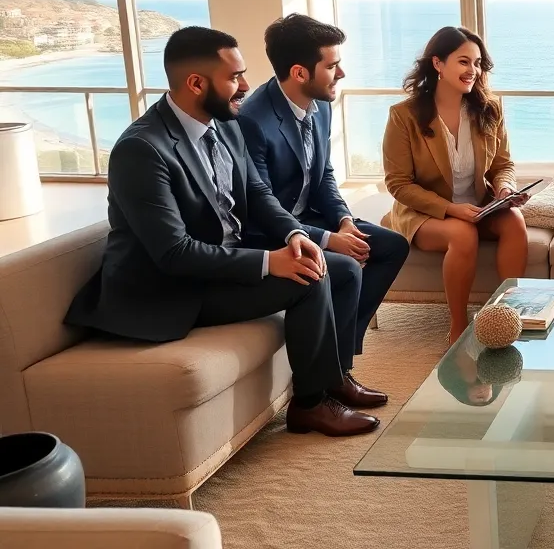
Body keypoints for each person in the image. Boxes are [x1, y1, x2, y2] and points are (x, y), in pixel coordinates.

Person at [63, 27, 382, 437]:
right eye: (235, 77)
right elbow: (174, 253)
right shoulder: (141, 150)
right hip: (171, 288)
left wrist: (293, 235)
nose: (246, 86)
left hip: (220, 264)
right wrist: (269, 262)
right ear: (196, 83)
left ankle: (334, 376)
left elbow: (257, 192)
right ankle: (310, 405)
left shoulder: (226, 125)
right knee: (307, 279)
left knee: (341, 268)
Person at [238, 14, 411, 388]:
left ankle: (341, 358)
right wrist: (329, 239)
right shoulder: (253, 120)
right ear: (300, 73)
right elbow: (261, 206)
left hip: (313, 216)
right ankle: (336, 375)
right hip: (272, 232)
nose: (341, 74)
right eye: (332, 66)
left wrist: (345, 221)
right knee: (347, 267)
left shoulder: (321, 105)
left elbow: (324, 175)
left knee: (391, 246)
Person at [382, 26, 527, 343]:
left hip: (478, 206)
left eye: (477, 63)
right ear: (438, 63)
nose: (473, 70)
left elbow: (503, 165)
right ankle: (459, 329)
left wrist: (505, 190)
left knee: (515, 221)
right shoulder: (404, 116)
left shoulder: (489, 109)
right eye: (464, 61)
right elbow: (398, 184)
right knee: (462, 233)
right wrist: (451, 209)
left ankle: (508, 317)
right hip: (426, 212)